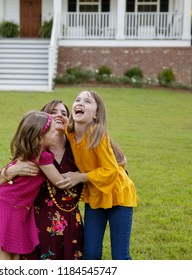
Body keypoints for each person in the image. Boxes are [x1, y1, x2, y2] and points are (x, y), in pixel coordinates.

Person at [0, 100, 84, 260]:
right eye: (54, 112)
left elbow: (112, 164)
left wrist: (82, 176)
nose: (60, 115)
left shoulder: (78, 146)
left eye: (64, 113)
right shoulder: (35, 150)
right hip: (36, 220)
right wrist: (10, 171)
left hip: (70, 220)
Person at [56, 90, 139, 260]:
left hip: (118, 195)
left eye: (87, 102)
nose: (80, 103)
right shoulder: (69, 134)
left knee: (120, 257)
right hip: (95, 197)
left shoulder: (97, 134)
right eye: (77, 99)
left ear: (95, 114)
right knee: (91, 253)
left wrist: (79, 177)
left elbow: (111, 171)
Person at [0, 110, 68, 260]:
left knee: (14, 251)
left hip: (15, 206)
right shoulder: (42, 156)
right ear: (39, 138)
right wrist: (82, 177)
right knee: (5, 254)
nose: (56, 133)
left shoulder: (30, 152)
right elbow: (59, 182)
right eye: (52, 131)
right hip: (9, 206)